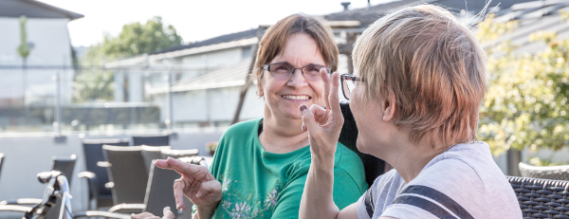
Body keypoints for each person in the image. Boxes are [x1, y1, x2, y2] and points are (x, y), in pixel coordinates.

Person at [298, 4, 522, 219]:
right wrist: (323, 155)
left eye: (355, 81)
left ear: (387, 104)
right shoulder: (402, 181)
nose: (349, 98)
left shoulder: (449, 184)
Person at [134, 13, 368, 219]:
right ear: (258, 80)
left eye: (313, 70)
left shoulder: (332, 166)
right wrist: (206, 208)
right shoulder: (235, 138)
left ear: (332, 83)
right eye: (282, 68)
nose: (297, 82)